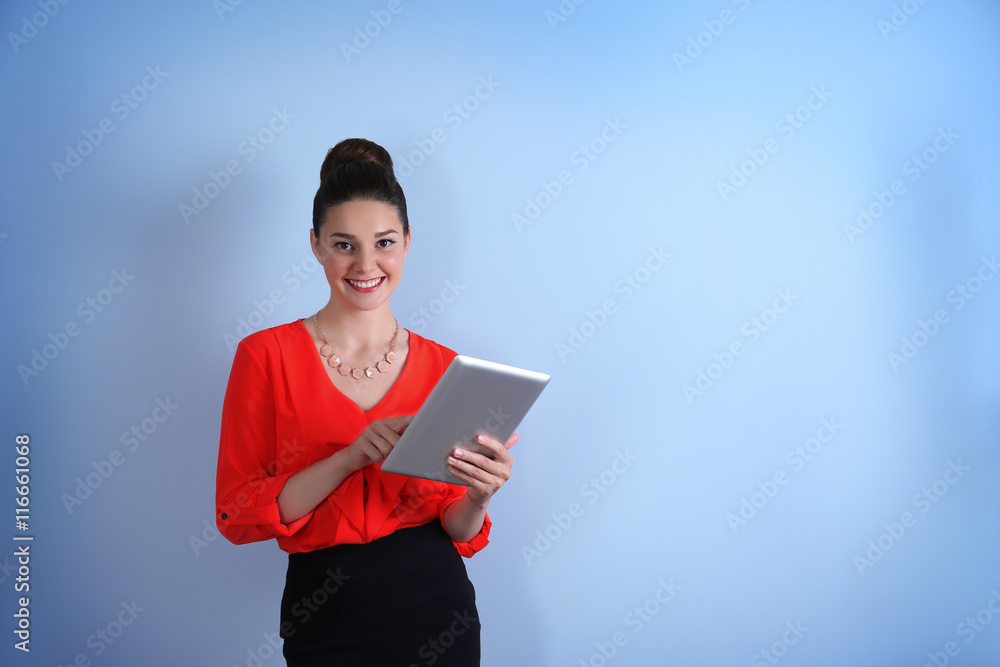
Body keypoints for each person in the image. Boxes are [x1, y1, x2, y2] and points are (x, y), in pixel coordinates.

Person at [214, 138, 516, 666]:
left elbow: (456, 526)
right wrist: (348, 458)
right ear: (315, 244)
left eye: (384, 242)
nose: (366, 264)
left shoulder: (447, 368)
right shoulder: (265, 355)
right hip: (324, 612)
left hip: (438, 608)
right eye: (344, 244)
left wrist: (479, 495)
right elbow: (238, 512)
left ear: (407, 242)